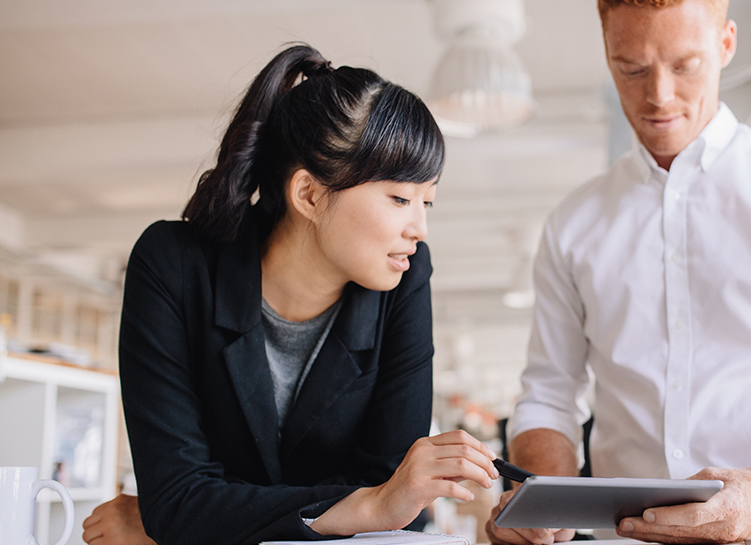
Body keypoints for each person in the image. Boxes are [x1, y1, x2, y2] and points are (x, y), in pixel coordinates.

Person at [485, 1, 751, 544]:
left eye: (684, 64)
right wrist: (542, 501)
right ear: (607, 54)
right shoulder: (573, 224)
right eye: (632, 69)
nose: (659, 95)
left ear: (726, 44)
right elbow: (548, 396)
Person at [80, 44, 500, 545]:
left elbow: (399, 500)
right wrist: (369, 504)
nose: (420, 228)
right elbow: (178, 500)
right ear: (309, 194)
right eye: (400, 198)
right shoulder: (172, 265)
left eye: (427, 201)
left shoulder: (404, 276)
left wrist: (184, 523)